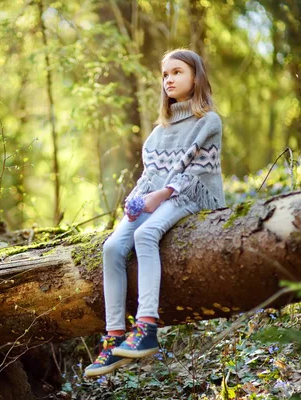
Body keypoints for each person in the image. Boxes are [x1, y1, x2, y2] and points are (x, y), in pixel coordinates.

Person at [84, 48, 225, 377]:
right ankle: (114, 338)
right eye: (165, 75)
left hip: (193, 195)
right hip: (159, 197)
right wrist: (135, 199)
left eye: (177, 72)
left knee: (146, 234)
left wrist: (160, 196)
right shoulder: (158, 133)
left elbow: (196, 174)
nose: (169, 79)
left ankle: (146, 328)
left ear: (196, 77)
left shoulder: (208, 122)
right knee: (113, 246)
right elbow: (149, 176)